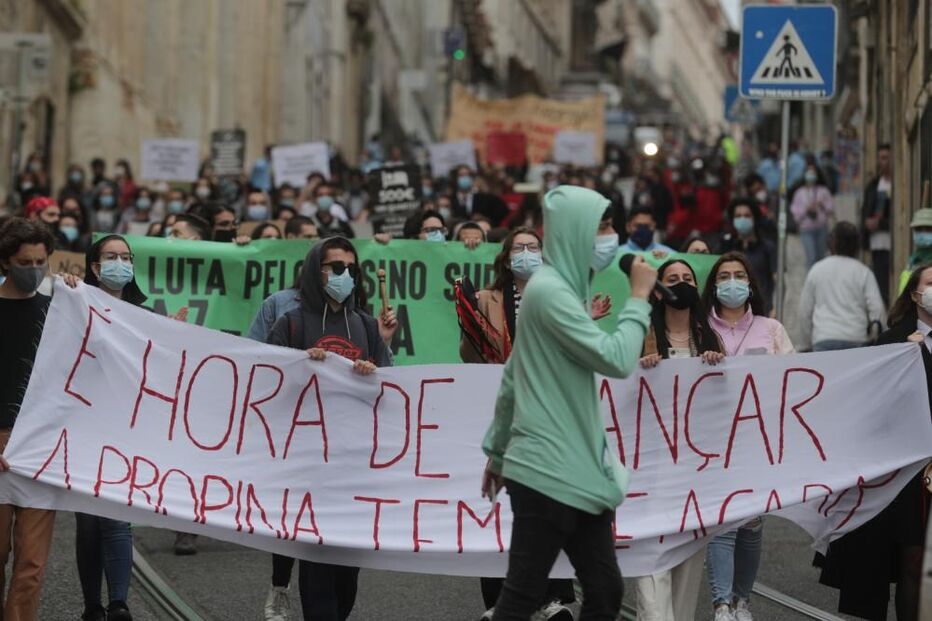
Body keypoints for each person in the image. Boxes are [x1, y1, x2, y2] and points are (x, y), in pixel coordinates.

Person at [481, 186, 658, 621]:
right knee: (524, 596)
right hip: (547, 471)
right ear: (576, 232)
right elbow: (617, 360)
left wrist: (498, 451)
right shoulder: (551, 293)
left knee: (604, 590)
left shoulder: (557, 289)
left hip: (575, 469)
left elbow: (511, 378)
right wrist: (638, 299)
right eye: (603, 227)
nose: (612, 237)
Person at [267, 237, 396, 621]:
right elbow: (268, 382)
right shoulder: (289, 322)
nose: (344, 275)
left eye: (351, 269)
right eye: (335, 267)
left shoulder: (365, 325)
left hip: (354, 463)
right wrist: (300, 365)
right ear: (315, 271)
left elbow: (391, 388)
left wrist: (373, 372)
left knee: (347, 569)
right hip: (308, 464)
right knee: (318, 560)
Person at [816, 263, 932, 621]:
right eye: (931, 282)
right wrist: (904, 357)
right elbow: (871, 407)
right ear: (915, 294)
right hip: (905, 473)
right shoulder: (892, 343)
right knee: (911, 558)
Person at [699, 252, 793, 621]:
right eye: (724, 275)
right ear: (714, 284)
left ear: (751, 284)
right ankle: (721, 604)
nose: (732, 281)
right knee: (722, 521)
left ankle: (742, 601)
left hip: (757, 438)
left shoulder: (772, 330)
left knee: (751, 524)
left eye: (739, 275)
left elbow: (792, 374)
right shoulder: (701, 326)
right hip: (712, 439)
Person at [635, 259, 724, 621]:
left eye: (688, 279)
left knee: (687, 567)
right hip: (652, 471)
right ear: (659, 291)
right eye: (673, 280)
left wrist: (721, 368)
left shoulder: (710, 339)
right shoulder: (641, 334)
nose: (682, 284)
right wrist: (637, 365)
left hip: (694, 473)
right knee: (651, 564)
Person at [62, 236, 145, 621]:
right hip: (82, 424)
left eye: (126, 257)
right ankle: (92, 605)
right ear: (94, 267)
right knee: (88, 520)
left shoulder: (147, 313)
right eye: (111, 257)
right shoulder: (74, 302)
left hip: (125, 429)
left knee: (115, 515)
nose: (120, 263)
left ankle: (118, 604)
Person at [0, 217, 57, 620]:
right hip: (1, 441)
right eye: (25, 261)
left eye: (41, 261)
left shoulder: (56, 311)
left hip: (39, 446)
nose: (34, 269)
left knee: (32, 565)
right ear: (5, 262)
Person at [797, 222, 886, 351]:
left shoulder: (817, 270)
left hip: (823, 340)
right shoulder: (864, 272)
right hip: (856, 340)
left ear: (831, 243)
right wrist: (876, 338)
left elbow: (804, 312)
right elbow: (877, 310)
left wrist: (805, 345)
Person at [720, 199, 777, 315]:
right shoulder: (726, 246)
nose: (742, 219)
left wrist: (775, 308)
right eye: (738, 216)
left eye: (746, 216)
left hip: (763, 312)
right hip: (731, 312)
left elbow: (778, 280)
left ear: (754, 219)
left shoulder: (767, 247)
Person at [861, 144, 892, 303]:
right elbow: (865, 210)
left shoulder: (898, 185)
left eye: (887, 158)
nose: (884, 162)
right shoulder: (873, 185)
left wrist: (881, 223)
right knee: (880, 284)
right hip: (877, 243)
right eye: (881, 158)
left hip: (892, 242)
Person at [790, 163, 834, 269]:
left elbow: (831, 208)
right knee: (812, 257)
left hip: (821, 228)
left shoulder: (823, 191)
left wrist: (821, 204)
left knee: (820, 257)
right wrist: (806, 209)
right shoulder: (799, 192)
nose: (811, 175)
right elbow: (795, 212)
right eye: (808, 172)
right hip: (806, 229)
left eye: (813, 172)